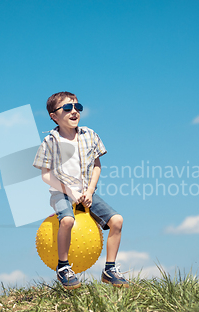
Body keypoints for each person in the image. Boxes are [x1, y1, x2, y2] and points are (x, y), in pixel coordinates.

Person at [33, 91, 129, 289]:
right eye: (67, 108)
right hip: (61, 192)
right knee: (67, 220)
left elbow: (97, 165)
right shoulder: (50, 141)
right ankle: (63, 268)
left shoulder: (89, 135)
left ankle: (109, 269)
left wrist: (90, 190)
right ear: (54, 116)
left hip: (87, 192)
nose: (74, 111)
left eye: (78, 107)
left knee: (117, 221)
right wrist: (71, 193)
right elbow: (46, 175)